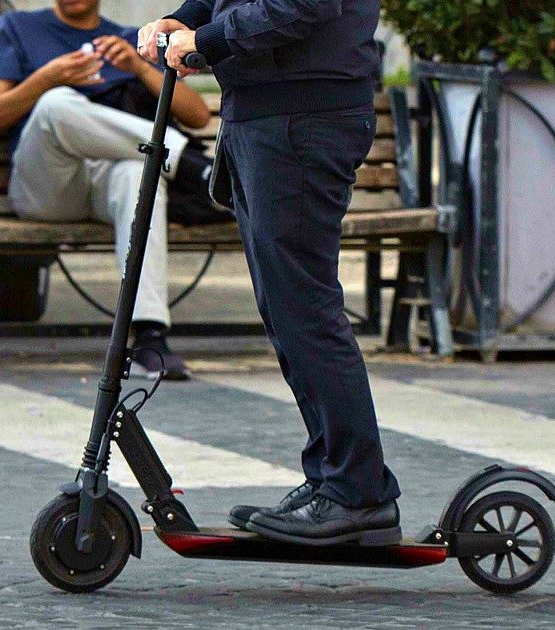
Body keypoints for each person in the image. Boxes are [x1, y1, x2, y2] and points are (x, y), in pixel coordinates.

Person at [137, 1, 403, 546]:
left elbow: (298, 6)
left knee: (306, 311)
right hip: (266, 116)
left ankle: (357, 493)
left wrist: (208, 39)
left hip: (302, 118)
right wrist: (187, 18)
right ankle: (334, 479)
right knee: (288, 313)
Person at [0, 0, 213, 381]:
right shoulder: (17, 28)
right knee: (55, 104)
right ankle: (193, 167)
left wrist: (138, 67)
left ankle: (149, 335)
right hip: (45, 185)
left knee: (137, 173)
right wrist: (46, 79)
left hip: (105, 182)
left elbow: (198, 116)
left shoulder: (129, 40)